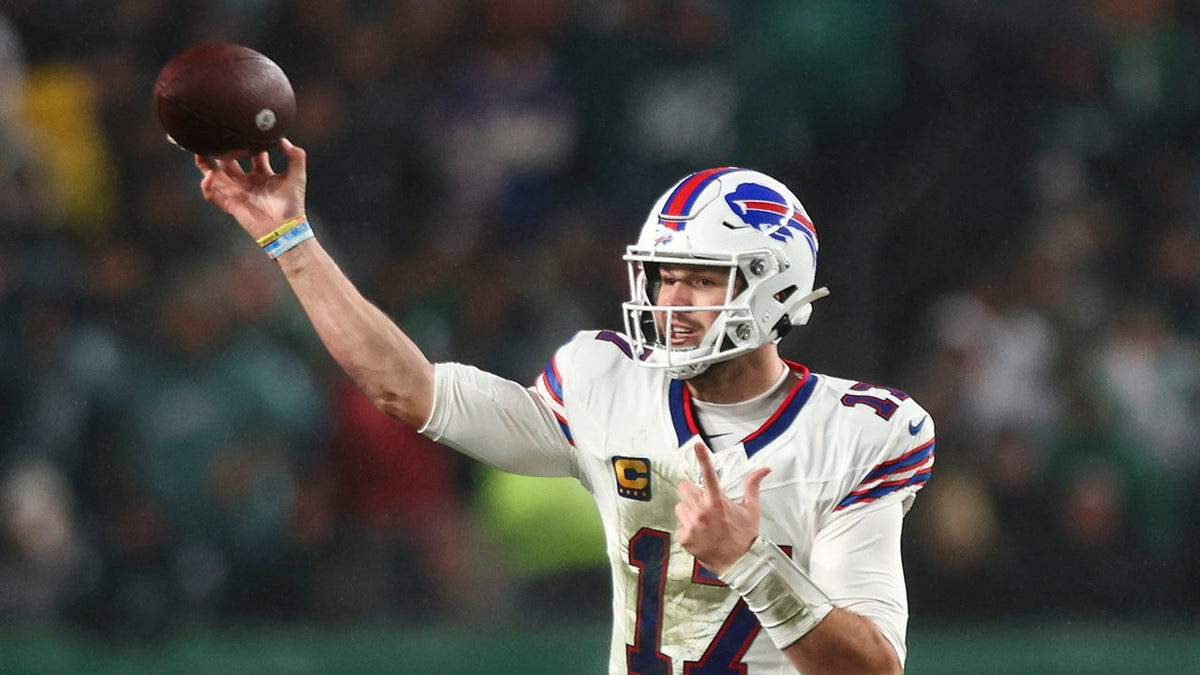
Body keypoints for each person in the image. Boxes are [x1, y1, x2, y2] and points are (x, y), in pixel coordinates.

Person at [195, 142, 935, 674]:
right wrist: (288, 237)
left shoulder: (861, 431)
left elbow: (871, 669)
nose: (671, 302)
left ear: (775, 286)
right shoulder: (607, 378)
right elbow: (408, 387)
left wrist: (747, 560)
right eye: (662, 276)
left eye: (702, 280)